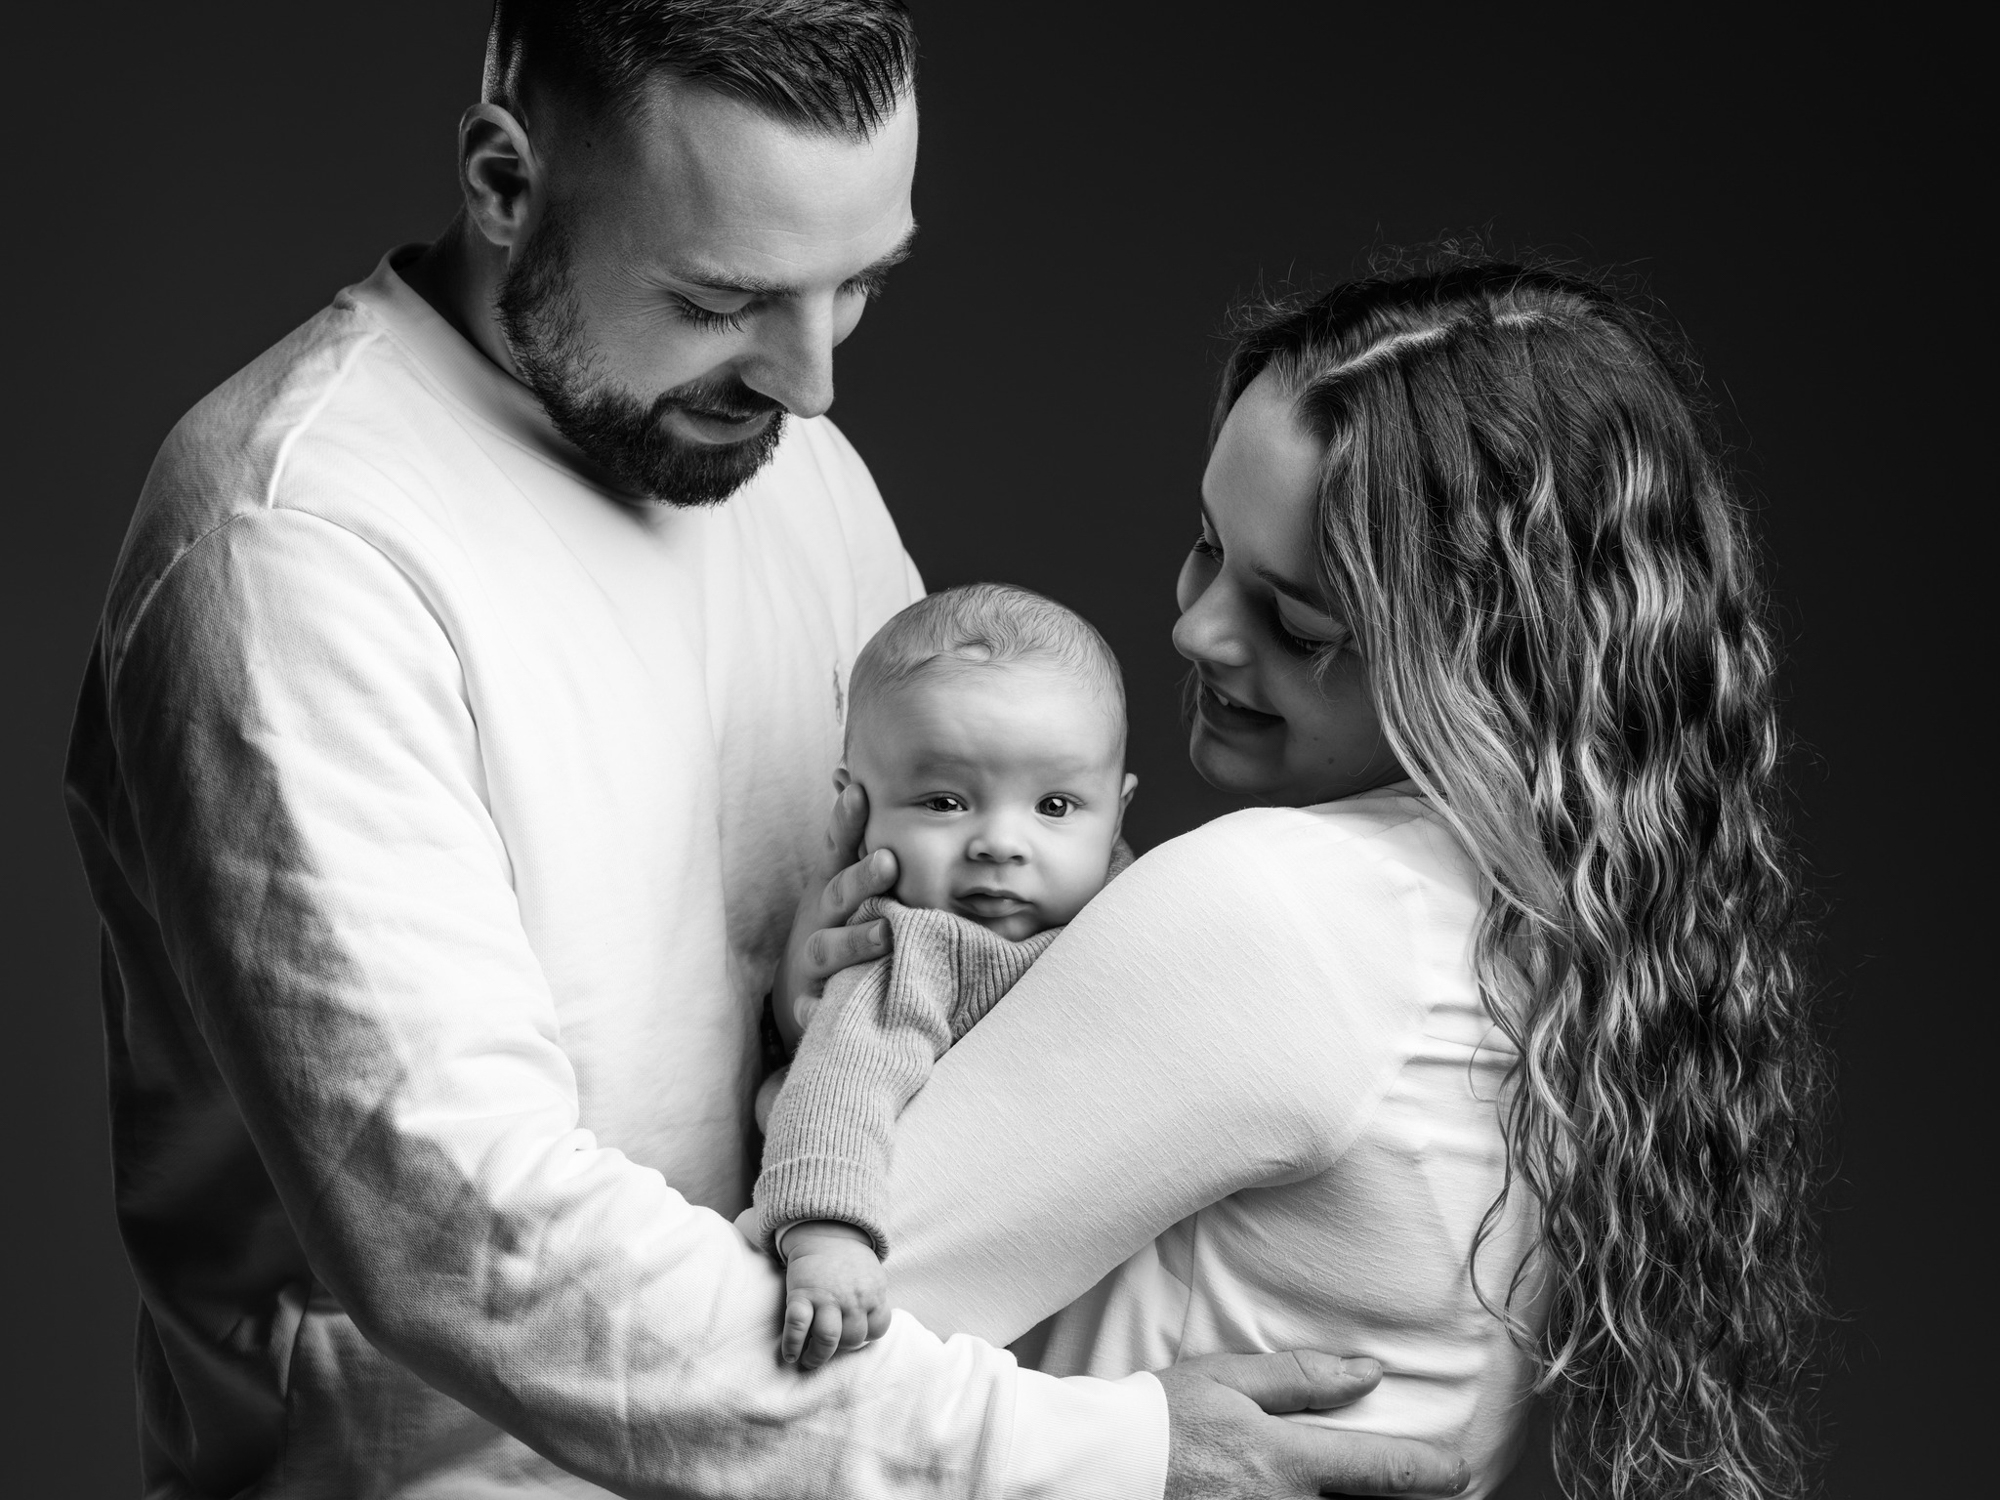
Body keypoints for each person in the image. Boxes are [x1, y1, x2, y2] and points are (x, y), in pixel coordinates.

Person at [62, 2, 1469, 1496]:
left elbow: (942, 949)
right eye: (727, 295)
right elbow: (471, 1235)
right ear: (501, 182)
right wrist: (1084, 1456)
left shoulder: (787, 464)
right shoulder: (297, 543)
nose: (814, 384)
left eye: (857, 283)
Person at [867, 261, 1824, 1500]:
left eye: (1299, 621)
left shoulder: (1285, 909)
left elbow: (771, 1344)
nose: (1198, 631)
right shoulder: (1575, 921)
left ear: (1482, 660)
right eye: (1204, 545)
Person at [753, 584, 1138, 1368]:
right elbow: (839, 1089)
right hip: (924, 1291)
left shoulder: (1132, 910)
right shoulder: (918, 953)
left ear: (1119, 816)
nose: (1001, 841)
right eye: (945, 801)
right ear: (859, 810)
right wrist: (828, 1242)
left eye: (1056, 805)